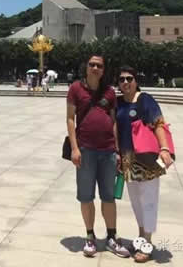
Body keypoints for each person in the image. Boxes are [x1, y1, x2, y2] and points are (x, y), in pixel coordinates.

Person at [66, 55, 130, 258]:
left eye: (99, 65)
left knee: (108, 196)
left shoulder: (109, 92)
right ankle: (90, 236)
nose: (95, 68)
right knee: (86, 196)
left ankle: (111, 236)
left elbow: (113, 122)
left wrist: (117, 150)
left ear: (103, 70)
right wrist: (75, 149)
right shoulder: (76, 89)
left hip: (108, 151)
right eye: (92, 64)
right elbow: (70, 119)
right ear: (86, 67)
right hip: (85, 150)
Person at [116, 66, 174, 263]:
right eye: (122, 79)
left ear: (136, 80)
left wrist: (164, 148)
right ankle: (141, 236)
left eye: (129, 78)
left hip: (146, 158)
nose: (125, 82)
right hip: (127, 159)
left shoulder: (145, 99)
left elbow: (158, 123)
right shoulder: (119, 103)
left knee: (148, 200)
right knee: (135, 201)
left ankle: (147, 242)